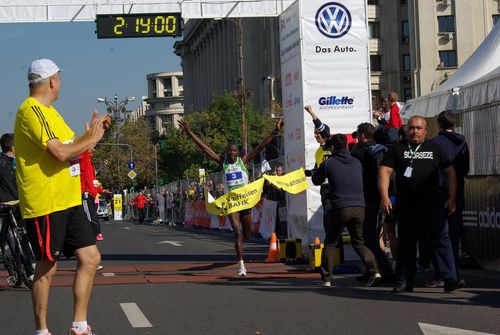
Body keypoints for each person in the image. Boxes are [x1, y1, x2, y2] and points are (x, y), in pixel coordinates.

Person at [14, 58, 110, 335]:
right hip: (46, 202)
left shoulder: (50, 112)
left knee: (90, 257)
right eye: (60, 79)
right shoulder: (32, 111)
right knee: (47, 268)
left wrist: (92, 134)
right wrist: (92, 137)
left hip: (68, 199)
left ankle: (79, 326)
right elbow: (60, 153)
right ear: (52, 81)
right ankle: (42, 331)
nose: (61, 84)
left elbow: (72, 147)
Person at [178, 117, 284, 276]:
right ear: (227, 152)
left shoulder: (244, 161)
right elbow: (205, 148)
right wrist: (188, 131)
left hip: (246, 203)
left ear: (238, 152)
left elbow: (262, 145)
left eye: (234, 150)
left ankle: (242, 247)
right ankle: (241, 266)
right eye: (230, 150)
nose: (232, 153)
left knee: (246, 234)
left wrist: (276, 131)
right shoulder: (223, 162)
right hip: (232, 203)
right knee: (237, 233)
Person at [379, 116, 465, 293]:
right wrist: (385, 197)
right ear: (406, 129)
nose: (415, 131)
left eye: (419, 128)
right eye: (411, 128)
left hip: (433, 203)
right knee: (406, 243)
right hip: (407, 205)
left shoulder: (435, 148)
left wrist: (451, 197)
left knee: (441, 239)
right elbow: (384, 172)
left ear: (426, 131)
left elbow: (451, 173)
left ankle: (449, 279)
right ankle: (403, 281)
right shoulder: (397, 149)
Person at [312, 134, 381, 288]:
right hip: (360, 207)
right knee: (359, 243)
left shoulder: (329, 163)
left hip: (340, 207)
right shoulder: (356, 162)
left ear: (333, 147)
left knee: (331, 242)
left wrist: (318, 169)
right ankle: (375, 270)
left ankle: (327, 279)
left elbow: (316, 180)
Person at [351, 123, 394, 283]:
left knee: (366, 238)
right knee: (375, 236)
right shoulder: (379, 150)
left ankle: (384, 270)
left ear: (362, 135)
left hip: (367, 199)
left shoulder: (359, 153)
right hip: (382, 197)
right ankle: (373, 269)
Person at [430, 110, 470, 283]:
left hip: (439, 193)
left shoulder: (434, 143)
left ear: (439, 123)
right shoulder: (462, 142)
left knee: (439, 236)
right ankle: (453, 273)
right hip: (458, 192)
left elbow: (430, 170)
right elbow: (465, 168)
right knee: (453, 235)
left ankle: (443, 274)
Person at [0, 133, 18, 202]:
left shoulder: (10, 162)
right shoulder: (4, 165)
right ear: (12, 148)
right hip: (9, 207)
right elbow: (12, 188)